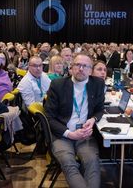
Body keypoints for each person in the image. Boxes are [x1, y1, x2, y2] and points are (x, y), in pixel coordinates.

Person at [45, 53, 105, 188]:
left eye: (85, 66)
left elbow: (100, 109)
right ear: (71, 67)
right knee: (69, 163)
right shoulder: (58, 85)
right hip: (63, 135)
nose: (81, 69)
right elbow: (49, 117)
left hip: (85, 135)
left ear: (90, 70)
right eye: (78, 65)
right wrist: (69, 133)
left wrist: (93, 119)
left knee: (92, 162)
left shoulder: (98, 84)